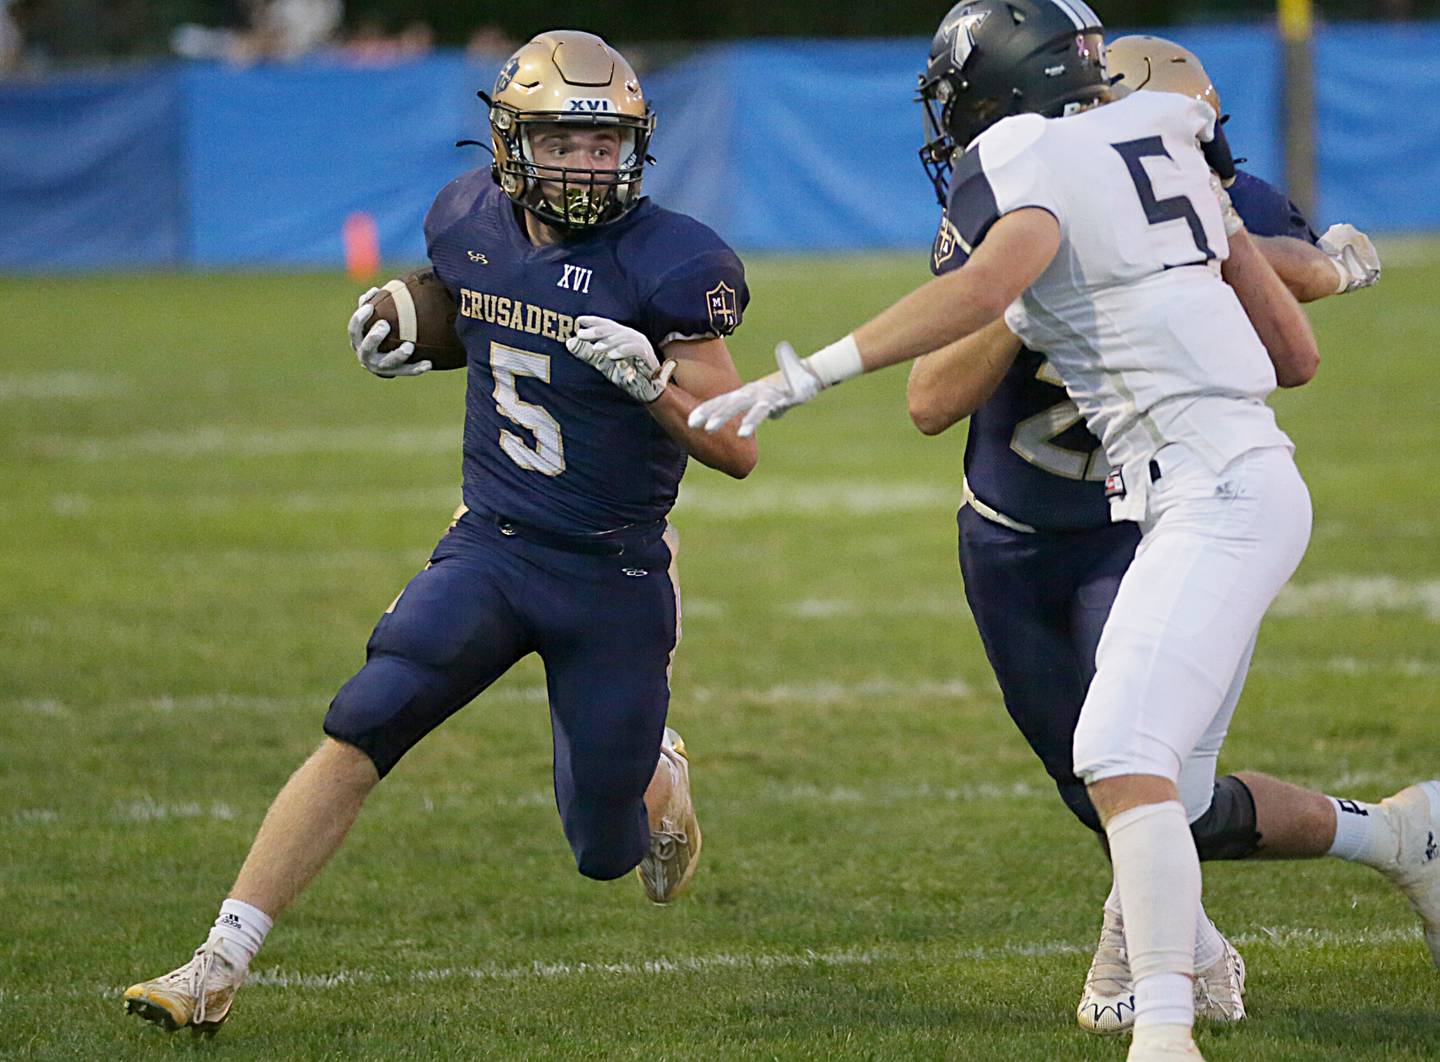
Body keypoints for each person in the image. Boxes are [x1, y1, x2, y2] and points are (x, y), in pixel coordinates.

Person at [686, 4, 1436, 1058]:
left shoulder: (1034, 153)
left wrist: (808, 373)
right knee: (1133, 774)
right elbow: (1296, 357)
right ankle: (1367, 862)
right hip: (1182, 488)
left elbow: (999, 275)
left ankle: (1162, 1012)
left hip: (1194, 495)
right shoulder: (1166, 148)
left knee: (1123, 757)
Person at [123, 29, 757, 1037]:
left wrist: (657, 385)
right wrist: (410, 326)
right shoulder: (468, 218)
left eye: (606, 145)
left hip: (613, 570)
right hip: (493, 544)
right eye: (564, 142)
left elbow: (738, 449)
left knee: (602, 848)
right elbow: (485, 312)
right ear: (511, 144)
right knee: (365, 715)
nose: (589, 166)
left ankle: (656, 777)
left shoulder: (673, 260)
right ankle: (216, 962)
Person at [906, 34, 1399, 1038]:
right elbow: (929, 398)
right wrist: (1026, 288)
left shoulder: (1218, 202)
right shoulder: (1009, 201)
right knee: (1114, 793)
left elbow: (1279, 266)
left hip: (1156, 518)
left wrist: (1329, 268)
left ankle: (1165, 980)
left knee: (1138, 769)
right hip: (1014, 533)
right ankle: (1394, 838)